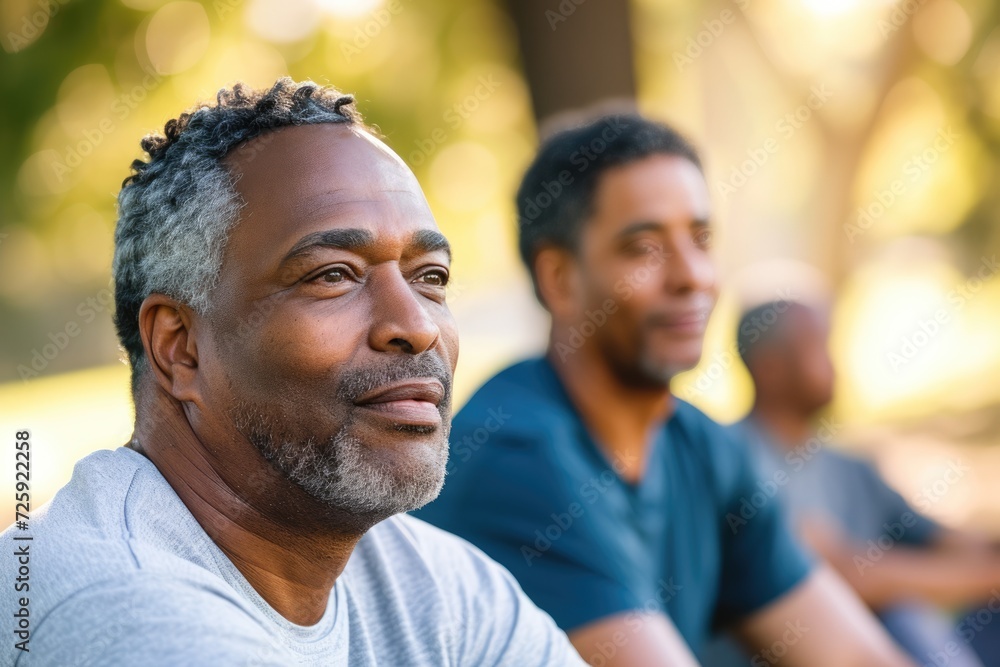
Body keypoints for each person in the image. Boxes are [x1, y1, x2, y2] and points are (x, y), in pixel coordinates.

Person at [0, 78, 587, 666]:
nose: (416, 325)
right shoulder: (124, 613)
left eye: (429, 276)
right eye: (333, 274)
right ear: (180, 348)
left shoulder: (437, 590)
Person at [413, 114, 915, 665]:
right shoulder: (517, 457)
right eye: (644, 248)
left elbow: (855, 656)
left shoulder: (701, 446)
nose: (692, 275)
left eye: (700, 239)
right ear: (560, 278)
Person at [718, 299, 1000, 666]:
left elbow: (945, 540)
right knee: (904, 615)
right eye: (818, 346)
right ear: (770, 367)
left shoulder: (850, 469)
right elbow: (839, 575)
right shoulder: (736, 461)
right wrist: (989, 577)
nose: (835, 364)